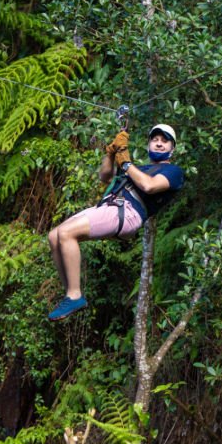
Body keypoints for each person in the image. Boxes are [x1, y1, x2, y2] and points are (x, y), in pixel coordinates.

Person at [47, 123, 185, 321]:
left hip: (127, 212)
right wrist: (111, 153)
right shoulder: (142, 168)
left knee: (66, 233)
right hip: (109, 206)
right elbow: (104, 176)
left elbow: (149, 186)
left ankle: (75, 295)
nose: (159, 144)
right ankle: (70, 292)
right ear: (148, 145)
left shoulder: (174, 171)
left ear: (173, 148)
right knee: (54, 236)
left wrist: (126, 163)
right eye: (155, 140)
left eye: (165, 141)